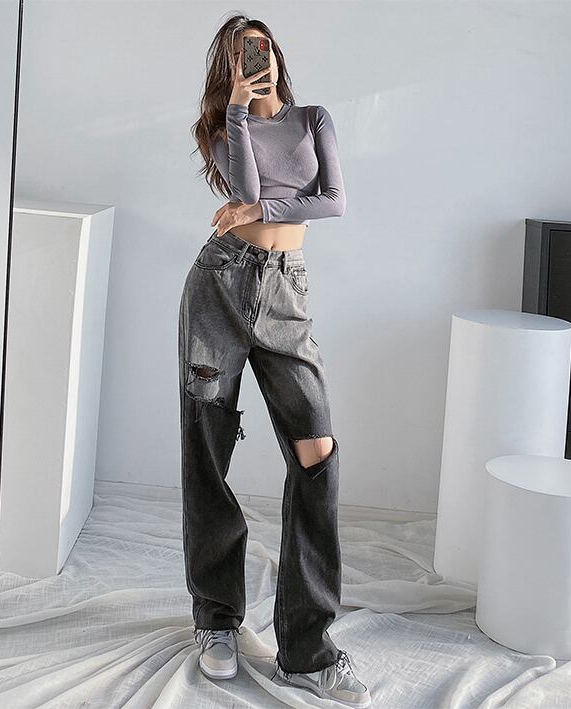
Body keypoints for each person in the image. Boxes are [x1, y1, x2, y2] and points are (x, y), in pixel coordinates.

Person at [179, 14, 371, 708]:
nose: (254, 60)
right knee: (209, 452)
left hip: (286, 293)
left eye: (259, 48)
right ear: (228, 67)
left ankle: (307, 651)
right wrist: (236, 109)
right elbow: (245, 191)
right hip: (219, 287)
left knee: (317, 450)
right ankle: (217, 619)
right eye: (240, 54)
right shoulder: (219, 127)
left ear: (277, 54)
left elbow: (333, 202)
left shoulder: (314, 119)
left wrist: (262, 206)